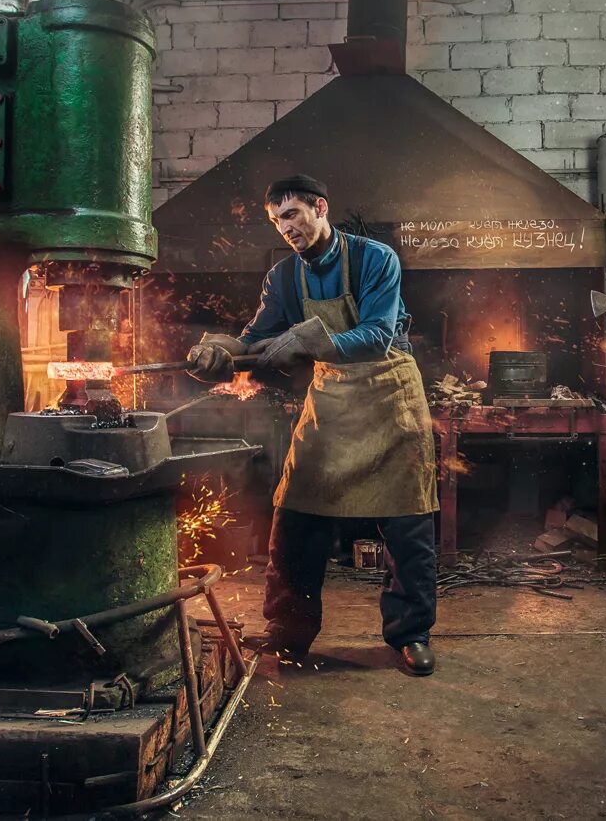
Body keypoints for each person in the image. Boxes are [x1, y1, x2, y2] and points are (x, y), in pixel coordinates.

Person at [186, 174, 439, 676]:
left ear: (320, 208)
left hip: (390, 392)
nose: (285, 228)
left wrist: (308, 342)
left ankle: (410, 635)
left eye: (292, 214)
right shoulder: (282, 277)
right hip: (332, 397)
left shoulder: (375, 259)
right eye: (276, 221)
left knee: (408, 521)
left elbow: (376, 334)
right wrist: (220, 354)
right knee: (296, 514)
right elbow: (255, 339)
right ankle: (288, 631)